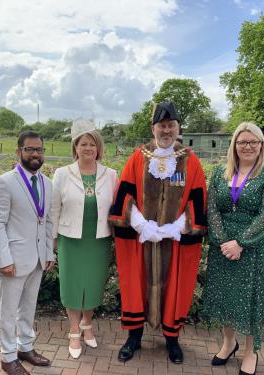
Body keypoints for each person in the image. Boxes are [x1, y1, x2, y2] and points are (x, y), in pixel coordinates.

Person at [109, 102, 207, 364]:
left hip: (173, 242)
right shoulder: (138, 158)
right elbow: (124, 195)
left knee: (174, 288)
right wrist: (141, 224)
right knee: (135, 285)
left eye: (171, 125)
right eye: (161, 126)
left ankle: (172, 340)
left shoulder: (190, 160)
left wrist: (177, 227)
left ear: (178, 128)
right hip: (142, 241)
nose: (166, 130)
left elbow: (197, 198)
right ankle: (134, 337)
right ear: (153, 128)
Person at [201, 122, 264, 375]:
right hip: (224, 245)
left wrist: (241, 242)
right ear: (235, 145)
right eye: (242, 142)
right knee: (225, 296)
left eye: (253, 142)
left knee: (254, 300)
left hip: (259, 244)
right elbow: (214, 208)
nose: (248, 146)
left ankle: (251, 352)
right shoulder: (221, 172)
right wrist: (222, 242)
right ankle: (229, 342)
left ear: (261, 145)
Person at [0, 131, 55, 375]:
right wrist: (3, 258)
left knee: (28, 307)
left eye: (39, 149)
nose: (35, 154)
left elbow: (47, 221)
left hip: (37, 258)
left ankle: (25, 347)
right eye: (30, 149)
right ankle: (7, 357)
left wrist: (48, 253)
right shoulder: (4, 182)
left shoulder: (48, 184)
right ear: (19, 152)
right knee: (8, 311)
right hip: (13, 260)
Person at [51, 119, 118, 359]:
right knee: (71, 283)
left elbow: (117, 209)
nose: (88, 148)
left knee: (93, 282)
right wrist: (53, 240)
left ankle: (87, 324)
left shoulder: (110, 174)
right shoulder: (61, 174)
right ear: (75, 148)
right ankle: (73, 330)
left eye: (92, 144)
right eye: (83, 144)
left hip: (99, 239)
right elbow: (54, 209)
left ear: (98, 148)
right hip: (70, 239)